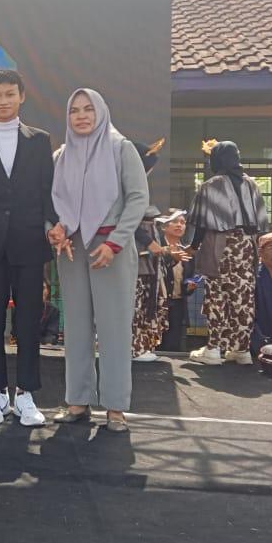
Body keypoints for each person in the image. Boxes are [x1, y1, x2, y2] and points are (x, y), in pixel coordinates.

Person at [48, 88, 149, 433]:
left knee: (113, 328)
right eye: (74, 110)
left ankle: (116, 407)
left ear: (101, 112)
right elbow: (51, 204)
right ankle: (77, 401)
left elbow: (138, 199)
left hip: (110, 249)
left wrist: (115, 243)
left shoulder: (121, 149)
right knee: (76, 326)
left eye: (88, 109)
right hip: (72, 250)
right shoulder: (61, 156)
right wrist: (54, 231)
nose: (81, 116)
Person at [0, 69, 56, 426]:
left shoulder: (39, 140)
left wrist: (53, 226)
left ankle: (27, 393)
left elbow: (47, 190)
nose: (3, 101)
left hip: (29, 242)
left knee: (29, 320)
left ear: (21, 96)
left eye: (9, 94)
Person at [187, 140, 268, 366]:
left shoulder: (211, 186)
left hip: (220, 245)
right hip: (247, 246)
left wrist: (193, 247)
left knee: (217, 296)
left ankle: (213, 349)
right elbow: (261, 222)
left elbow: (202, 224)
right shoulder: (252, 184)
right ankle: (241, 350)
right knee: (243, 297)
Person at [156, 209, 197, 352]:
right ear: (164, 226)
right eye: (175, 221)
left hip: (178, 303)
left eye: (183, 222)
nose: (179, 225)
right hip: (158, 304)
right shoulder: (156, 246)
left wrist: (190, 285)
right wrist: (170, 257)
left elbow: (190, 275)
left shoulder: (187, 250)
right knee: (155, 344)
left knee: (173, 346)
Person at [131, 206, 166, 362]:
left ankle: (138, 346)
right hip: (136, 263)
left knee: (141, 307)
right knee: (135, 308)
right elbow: (129, 223)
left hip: (144, 264)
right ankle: (134, 348)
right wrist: (149, 242)